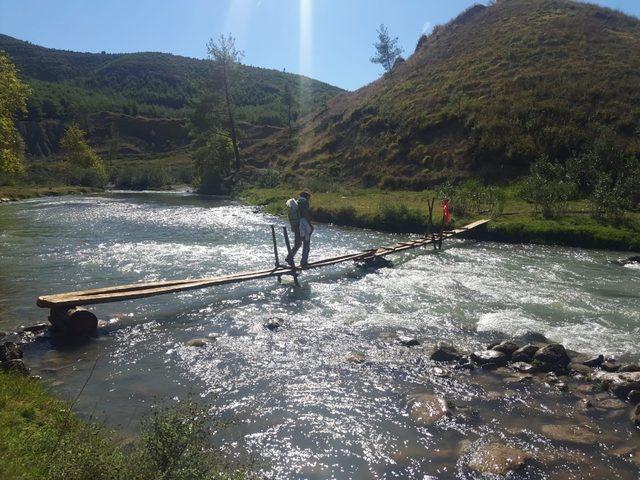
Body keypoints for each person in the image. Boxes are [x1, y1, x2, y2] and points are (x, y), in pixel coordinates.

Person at [285, 191, 314, 267]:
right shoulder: (305, 202)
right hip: (303, 226)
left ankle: (289, 257)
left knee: (297, 244)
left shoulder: (296, 202)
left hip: (296, 225)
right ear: (307, 197)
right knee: (306, 243)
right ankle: (303, 262)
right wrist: (310, 226)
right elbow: (305, 215)